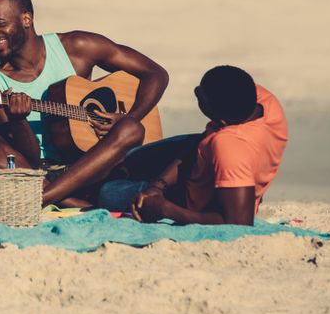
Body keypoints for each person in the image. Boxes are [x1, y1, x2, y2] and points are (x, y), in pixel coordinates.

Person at [0, 0, 169, 207]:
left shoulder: (75, 48)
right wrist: (18, 120)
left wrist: (131, 116)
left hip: (95, 167)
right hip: (41, 176)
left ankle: (46, 200)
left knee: (132, 129)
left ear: (26, 19)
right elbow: (26, 161)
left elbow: (156, 74)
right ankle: (62, 198)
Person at [99, 65, 288, 225]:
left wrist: (166, 209)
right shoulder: (262, 99)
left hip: (199, 199)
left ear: (221, 121)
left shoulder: (230, 146)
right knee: (132, 158)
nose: (196, 92)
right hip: (204, 158)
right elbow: (205, 140)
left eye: (201, 97)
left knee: (107, 193)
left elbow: (239, 223)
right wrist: (157, 185)